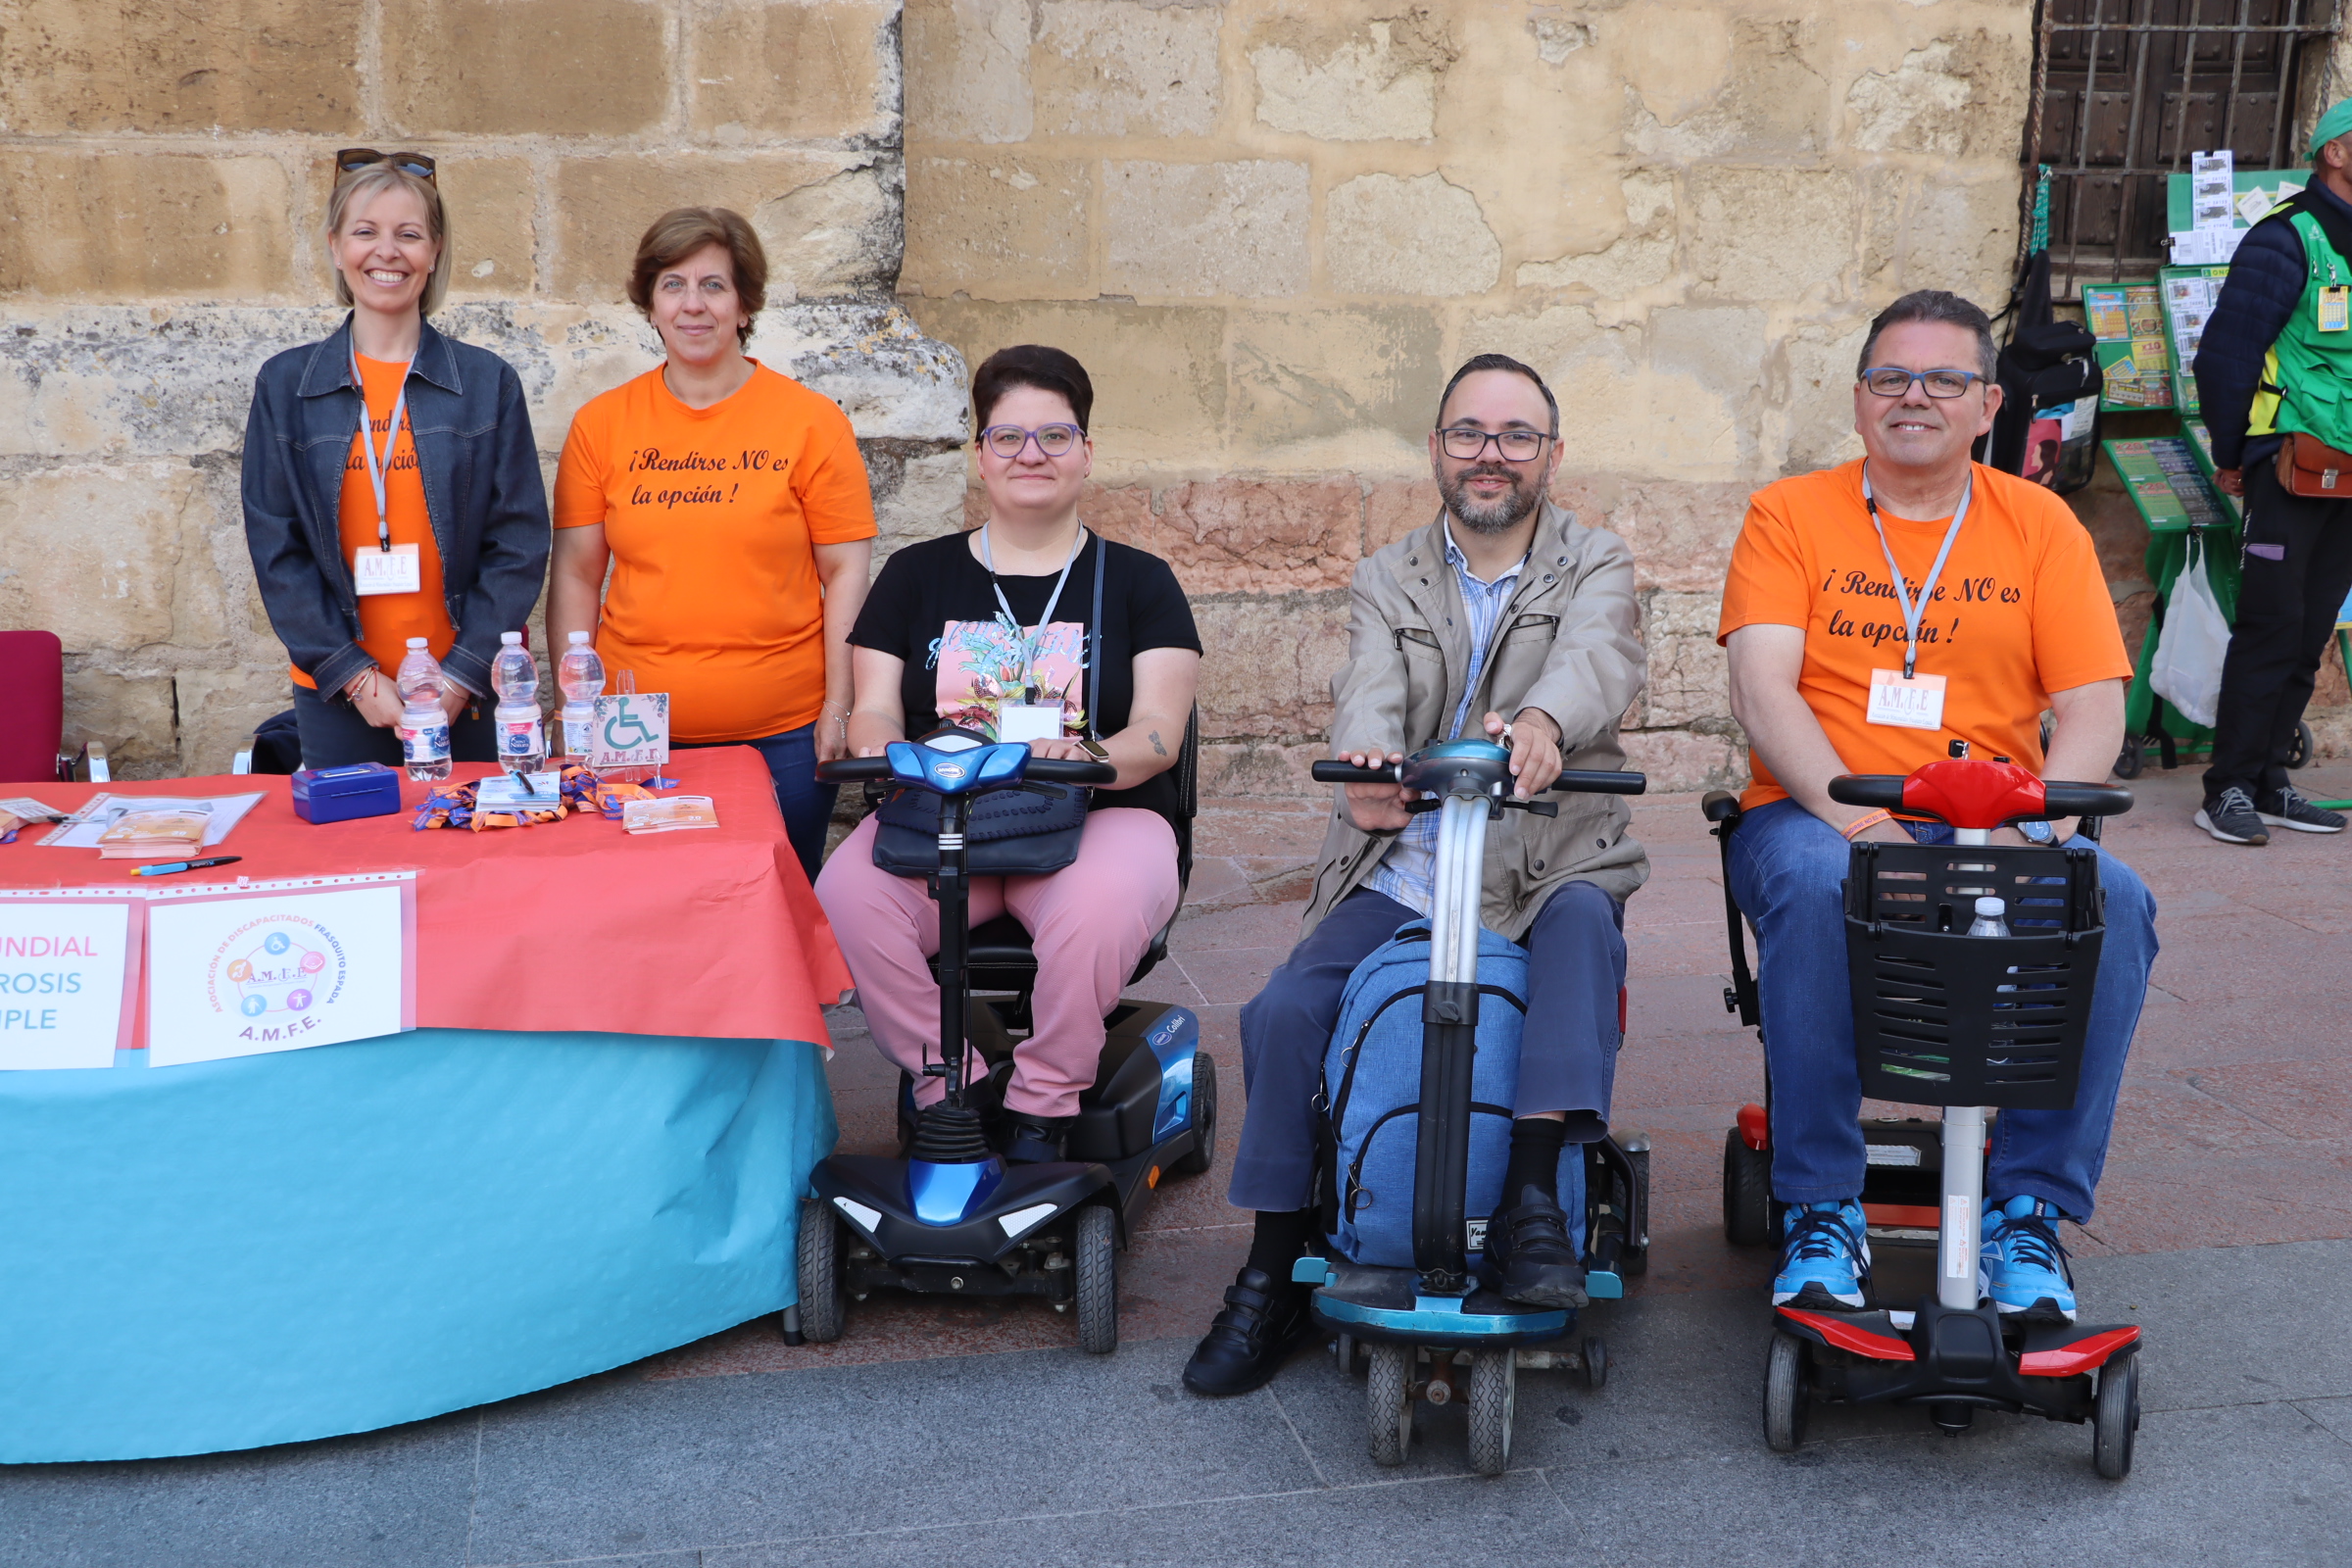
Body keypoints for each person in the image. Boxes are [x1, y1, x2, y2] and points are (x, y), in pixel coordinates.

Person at [1181, 354, 1648, 1398]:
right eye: (1469, 433)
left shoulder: (1596, 561)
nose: (1492, 454)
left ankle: (1533, 1203)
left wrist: (1542, 723)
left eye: (1517, 435)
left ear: (1552, 456)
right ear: (1437, 450)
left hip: (1546, 850)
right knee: (1285, 1005)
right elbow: (1367, 687)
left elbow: (1599, 659)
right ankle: (1275, 1260)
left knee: (1579, 937)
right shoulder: (1390, 572)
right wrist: (1368, 771)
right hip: (1412, 862)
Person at [1718, 289, 2158, 1323]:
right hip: (1818, 816)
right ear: (1860, 400)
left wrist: (2039, 828)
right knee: (1830, 886)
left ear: (1988, 403)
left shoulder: (2039, 524)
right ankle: (1823, 1206)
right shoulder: (1791, 514)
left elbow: (2095, 706)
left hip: (1997, 819)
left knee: (2118, 901)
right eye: (1890, 377)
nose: (1914, 396)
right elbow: (1763, 688)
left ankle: (2028, 1212)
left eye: (1944, 379)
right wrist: (1864, 827)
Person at [815, 346, 1201, 1164]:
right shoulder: (916, 577)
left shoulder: (1140, 582)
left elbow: (1160, 730)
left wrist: (1091, 752)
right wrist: (892, 752)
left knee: (1091, 913)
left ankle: (1043, 1103)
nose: (1032, 454)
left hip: (1097, 816)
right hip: (944, 816)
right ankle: (946, 1082)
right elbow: (876, 707)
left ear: (1087, 453)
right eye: (1009, 437)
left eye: (1055, 436)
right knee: (846, 895)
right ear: (980, 457)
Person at [549, 207, 875, 878]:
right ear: (649, 303)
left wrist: (837, 708)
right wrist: (575, 711)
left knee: (775, 911)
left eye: (713, 286)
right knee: (646, 912)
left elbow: (845, 571)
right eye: (672, 285)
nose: (692, 305)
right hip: (632, 733)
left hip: (783, 732)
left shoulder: (810, 423)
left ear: (746, 303)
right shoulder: (602, 425)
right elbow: (578, 575)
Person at [243, 150, 550, 768]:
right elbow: (277, 551)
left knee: (477, 854)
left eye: (408, 234)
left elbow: (518, 543)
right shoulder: (285, 387)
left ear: (434, 252)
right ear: (335, 247)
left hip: (469, 695)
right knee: (358, 862)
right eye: (366, 232)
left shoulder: (489, 384)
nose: (387, 251)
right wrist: (355, 678)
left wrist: (459, 677)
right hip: (338, 697)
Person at [2190, 98, 2352, 846]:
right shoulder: (2284, 240)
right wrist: (2233, 453)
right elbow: (2224, 355)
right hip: (2288, 464)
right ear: (2336, 153)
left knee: (2312, 625)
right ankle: (2225, 785)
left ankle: (2269, 778)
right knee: (2270, 624)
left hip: (2351, 471)